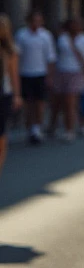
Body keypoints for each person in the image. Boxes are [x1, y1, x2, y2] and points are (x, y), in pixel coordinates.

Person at [49, 18, 84, 142]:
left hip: (76, 72)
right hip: (61, 71)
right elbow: (54, 56)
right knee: (58, 102)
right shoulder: (62, 38)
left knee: (71, 101)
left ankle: (70, 130)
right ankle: (54, 125)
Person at [15, 10, 56, 144]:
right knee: (28, 103)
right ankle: (29, 128)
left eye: (38, 21)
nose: (36, 23)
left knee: (39, 102)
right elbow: (17, 56)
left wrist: (50, 75)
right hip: (25, 73)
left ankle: (37, 127)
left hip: (40, 73)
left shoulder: (45, 35)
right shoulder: (21, 35)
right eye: (33, 21)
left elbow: (50, 57)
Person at [0, 15, 22, 179]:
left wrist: (16, 95)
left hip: (4, 94)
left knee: (1, 132)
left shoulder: (10, 50)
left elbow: (14, 74)